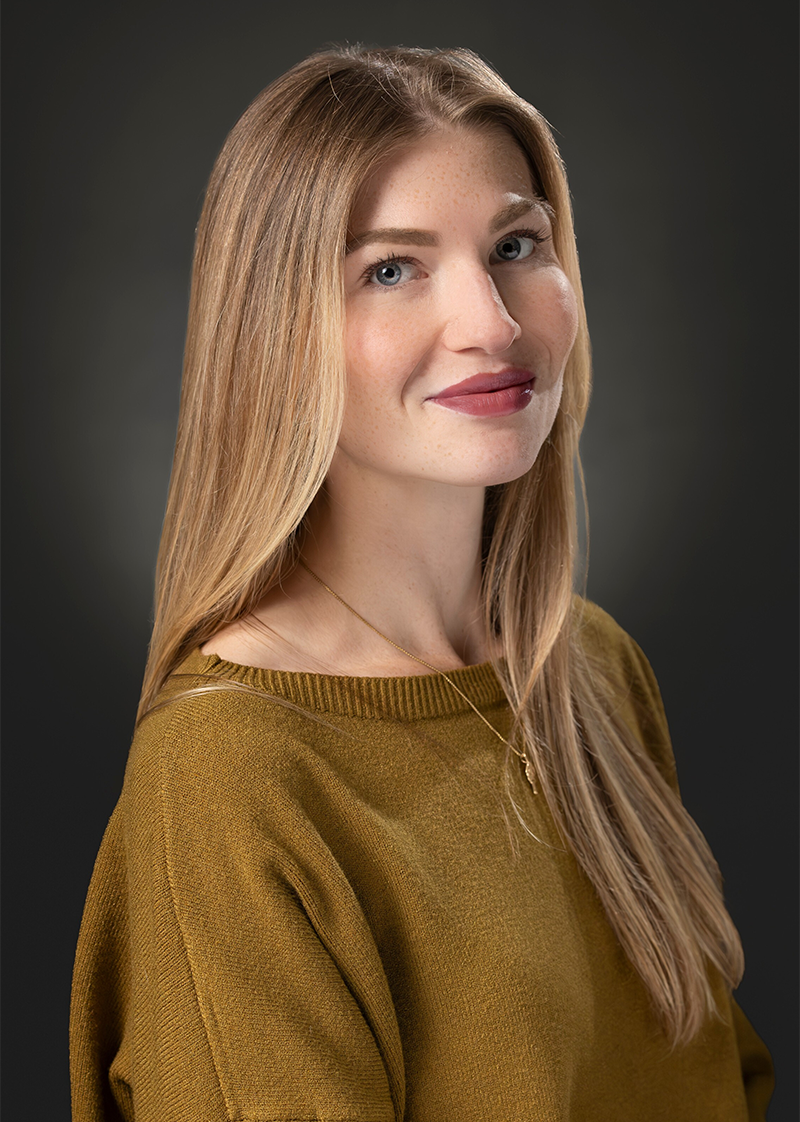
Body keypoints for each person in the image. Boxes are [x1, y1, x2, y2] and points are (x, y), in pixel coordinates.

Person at [69, 45, 774, 1121]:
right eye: (392, 269)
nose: (493, 324)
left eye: (514, 246)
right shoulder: (227, 775)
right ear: (272, 329)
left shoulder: (590, 669)